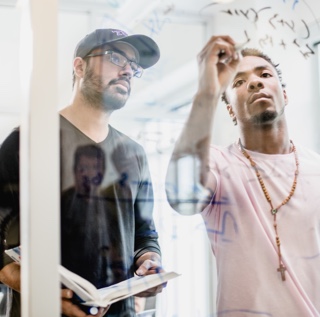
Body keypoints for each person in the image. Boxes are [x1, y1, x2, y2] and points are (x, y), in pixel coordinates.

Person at [0, 28, 164, 317]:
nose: (127, 70)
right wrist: (27, 283)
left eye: (133, 66)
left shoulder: (134, 154)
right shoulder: (27, 141)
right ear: (79, 66)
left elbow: (144, 234)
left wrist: (149, 261)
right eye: (115, 58)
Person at [165, 35, 320, 316]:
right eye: (239, 82)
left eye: (265, 74)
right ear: (230, 111)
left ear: (284, 94)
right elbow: (181, 197)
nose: (255, 82)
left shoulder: (316, 167)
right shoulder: (218, 163)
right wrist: (207, 91)